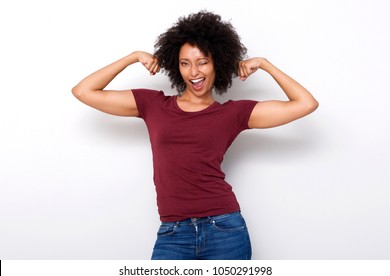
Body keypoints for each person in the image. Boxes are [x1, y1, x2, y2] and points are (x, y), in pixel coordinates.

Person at [72, 10, 318, 260]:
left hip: (224, 229)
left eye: (202, 62)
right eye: (185, 63)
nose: (193, 72)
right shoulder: (153, 104)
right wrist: (132, 57)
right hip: (172, 233)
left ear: (218, 63)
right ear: (175, 65)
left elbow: (306, 104)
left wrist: (265, 64)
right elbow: (83, 91)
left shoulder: (234, 113)